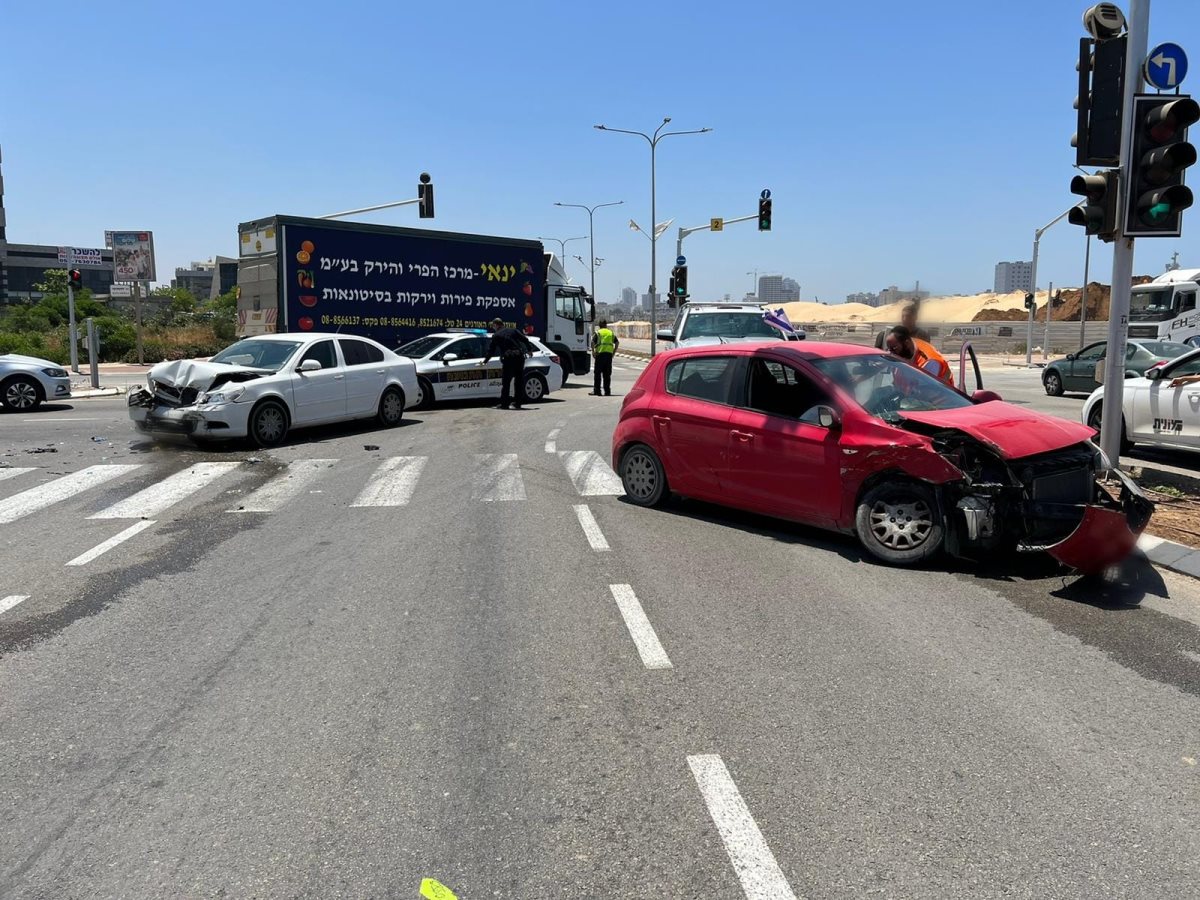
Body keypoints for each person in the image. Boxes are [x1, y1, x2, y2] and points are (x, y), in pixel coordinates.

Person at [480, 317, 535, 409]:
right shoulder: (513, 330)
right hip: (519, 357)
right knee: (518, 381)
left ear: (496, 325)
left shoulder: (496, 335)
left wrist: (485, 361)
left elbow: (491, 351)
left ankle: (504, 404)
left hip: (509, 359)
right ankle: (518, 403)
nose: (493, 328)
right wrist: (529, 350)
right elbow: (525, 339)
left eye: (493, 326)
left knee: (506, 382)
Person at [885, 325, 954, 386]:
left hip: (936, 397)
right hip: (907, 392)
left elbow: (923, 392)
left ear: (907, 344)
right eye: (888, 348)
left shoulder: (929, 363)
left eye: (894, 348)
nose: (891, 352)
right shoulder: (908, 344)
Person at [590, 319, 619, 396]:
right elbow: (617, 342)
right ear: (606, 325)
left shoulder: (598, 333)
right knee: (607, 374)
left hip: (600, 354)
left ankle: (597, 391)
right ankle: (607, 391)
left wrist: (593, 351)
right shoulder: (610, 333)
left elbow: (592, 342)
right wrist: (613, 352)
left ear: (599, 326)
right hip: (609, 355)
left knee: (597, 373)